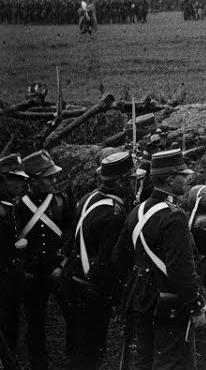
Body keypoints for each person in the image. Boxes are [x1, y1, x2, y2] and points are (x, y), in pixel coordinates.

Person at [111, 149, 206, 370]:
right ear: (170, 179)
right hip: (170, 301)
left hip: (141, 299)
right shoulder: (174, 215)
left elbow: (118, 258)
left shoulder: (136, 211)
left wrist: (138, 284)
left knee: (144, 361)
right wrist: (196, 306)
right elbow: (180, 268)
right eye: (183, 175)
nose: (187, 179)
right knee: (171, 362)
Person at [62, 151, 138, 370]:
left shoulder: (86, 199)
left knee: (75, 343)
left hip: (72, 279)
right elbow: (108, 260)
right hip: (92, 289)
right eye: (131, 179)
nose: (134, 184)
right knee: (91, 352)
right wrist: (117, 297)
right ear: (121, 181)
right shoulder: (114, 213)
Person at [13, 150, 73, 370]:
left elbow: (70, 233)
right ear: (34, 180)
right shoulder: (19, 206)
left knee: (73, 317)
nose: (54, 181)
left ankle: (74, 361)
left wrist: (61, 262)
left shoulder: (62, 200)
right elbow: (15, 239)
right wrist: (26, 269)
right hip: (33, 275)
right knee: (35, 324)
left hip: (58, 270)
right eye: (49, 177)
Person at [0, 153, 28, 367]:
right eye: (16, 179)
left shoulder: (8, 206)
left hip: (10, 280)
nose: (21, 183)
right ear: (3, 179)